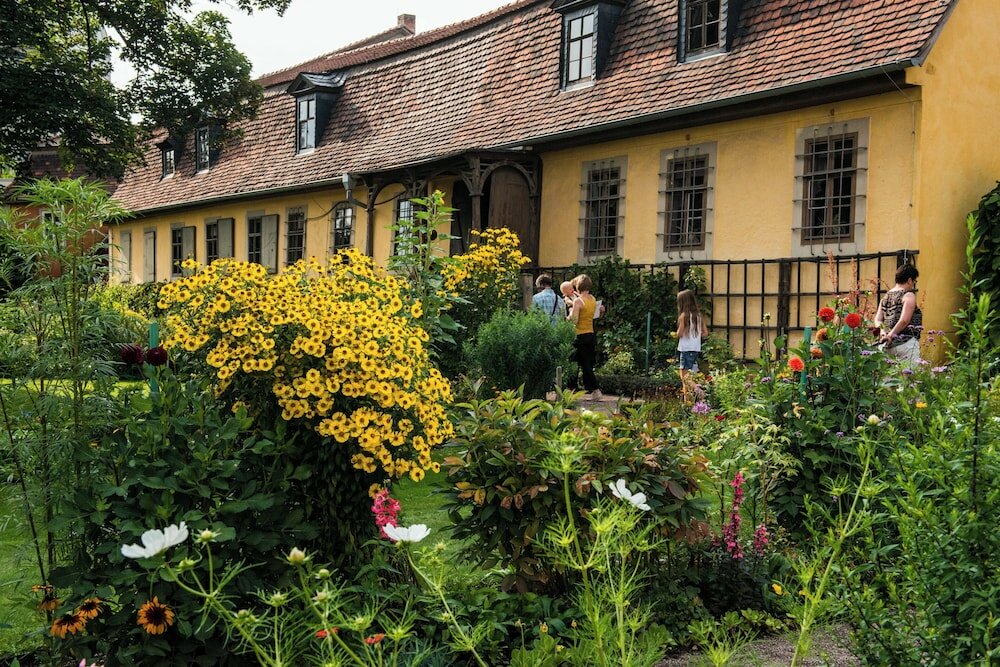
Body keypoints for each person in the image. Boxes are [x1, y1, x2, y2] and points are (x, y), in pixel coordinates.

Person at [874, 264, 922, 364]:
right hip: (906, 344)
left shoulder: (885, 297)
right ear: (909, 280)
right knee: (909, 377)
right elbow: (904, 320)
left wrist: (883, 333)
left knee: (888, 378)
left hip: (886, 345)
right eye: (914, 281)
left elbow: (878, 319)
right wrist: (891, 335)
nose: (913, 284)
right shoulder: (908, 295)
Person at [567, 274, 599, 396]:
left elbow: (574, 320)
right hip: (590, 333)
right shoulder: (592, 299)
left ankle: (594, 389)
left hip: (579, 335)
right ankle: (592, 390)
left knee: (575, 363)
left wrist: (569, 314)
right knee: (586, 363)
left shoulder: (578, 301)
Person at [676, 289, 709, 403]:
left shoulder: (684, 316)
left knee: (684, 377)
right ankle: (687, 403)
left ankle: (698, 390)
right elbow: (705, 333)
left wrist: (680, 333)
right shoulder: (698, 316)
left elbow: (679, 333)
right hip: (695, 349)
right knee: (690, 376)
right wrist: (694, 336)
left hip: (685, 349)